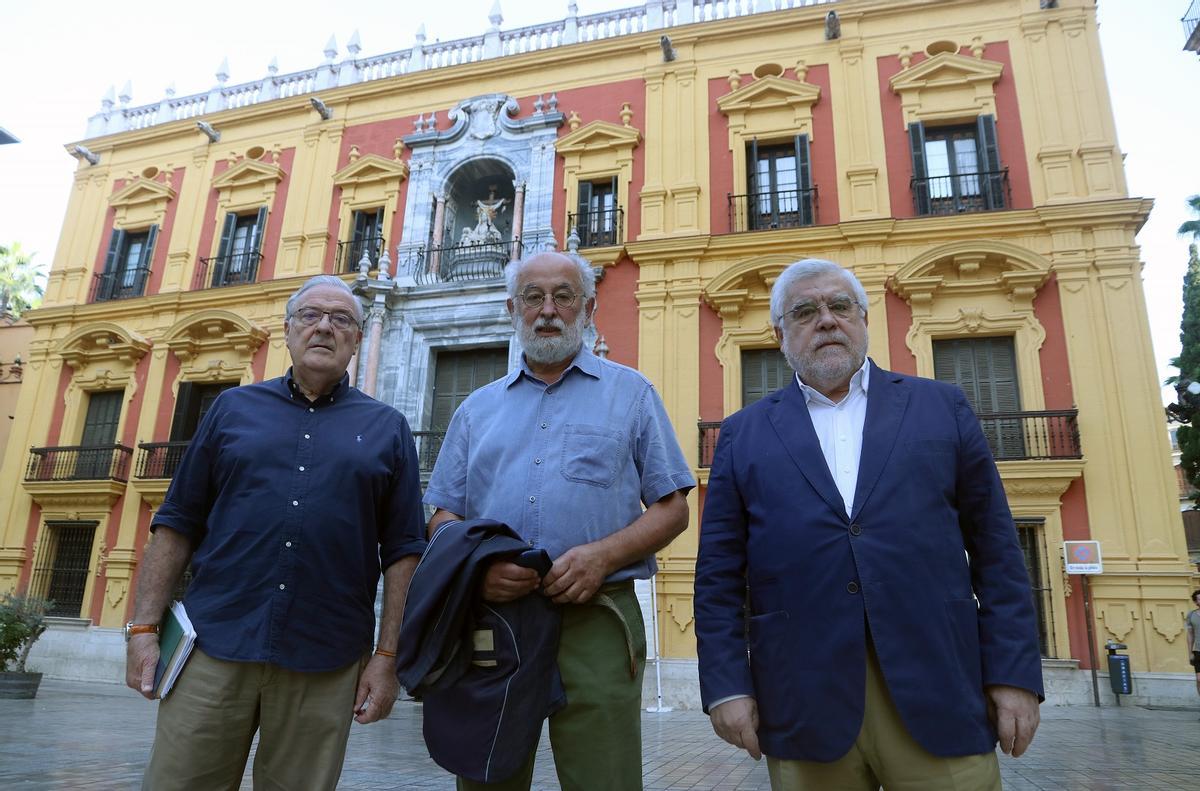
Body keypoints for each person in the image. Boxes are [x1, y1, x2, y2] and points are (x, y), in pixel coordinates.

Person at [694, 258, 1044, 790]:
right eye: (805, 310)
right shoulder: (743, 434)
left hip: (940, 690)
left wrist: (1013, 674)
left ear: (863, 318)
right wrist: (725, 687)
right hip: (801, 701)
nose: (827, 320)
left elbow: (998, 552)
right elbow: (718, 578)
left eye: (840, 307)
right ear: (779, 333)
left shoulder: (941, 407)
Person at [124, 274, 427, 790]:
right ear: (288, 330)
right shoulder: (231, 409)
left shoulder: (388, 429)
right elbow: (176, 522)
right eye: (310, 315)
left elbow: (403, 553)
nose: (325, 328)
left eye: (342, 319)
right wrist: (143, 630)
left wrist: (387, 658)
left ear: (357, 338)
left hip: (326, 659)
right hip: (213, 644)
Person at [423, 250, 695, 790]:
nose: (548, 310)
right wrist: (475, 570)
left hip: (598, 618)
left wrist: (603, 556)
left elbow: (673, 507)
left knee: (605, 779)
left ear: (588, 307)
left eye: (564, 296)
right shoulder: (474, 410)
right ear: (512, 308)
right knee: (486, 775)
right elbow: (444, 515)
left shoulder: (632, 394)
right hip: (494, 623)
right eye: (533, 297)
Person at [1187, 589, 1200, 703]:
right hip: (1198, 651)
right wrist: (1190, 652)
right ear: (1196, 602)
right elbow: (1190, 635)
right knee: (1199, 679)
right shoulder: (1191, 615)